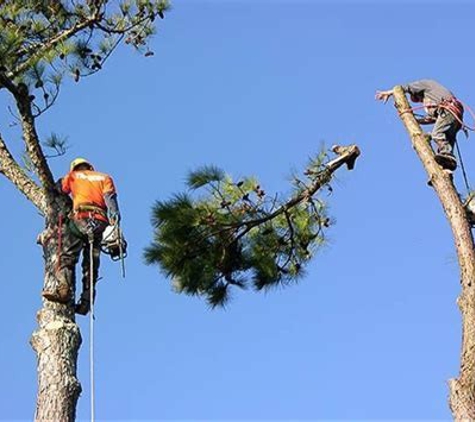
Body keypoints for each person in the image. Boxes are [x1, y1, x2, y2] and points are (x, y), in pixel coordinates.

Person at [42, 158, 121, 315]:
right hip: (100, 223)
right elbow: (111, 203)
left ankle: (64, 289)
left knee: (66, 254)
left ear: (74, 168)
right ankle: (86, 302)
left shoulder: (73, 176)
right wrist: (115, 225)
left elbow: (59, 189)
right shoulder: (104, 177)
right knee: (91, 263)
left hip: (81, 220)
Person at [376, 79, 464, 171]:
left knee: (437, 134)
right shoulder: (434, 96)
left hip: (448, 110)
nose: (420, 101)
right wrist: (414, 120)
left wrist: (390, 92)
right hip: (454, 115)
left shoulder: (425, 85)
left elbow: (406, 87)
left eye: (418, 99)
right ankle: (447, 167)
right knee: (446, 138)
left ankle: (447, 155)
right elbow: (431, 119)